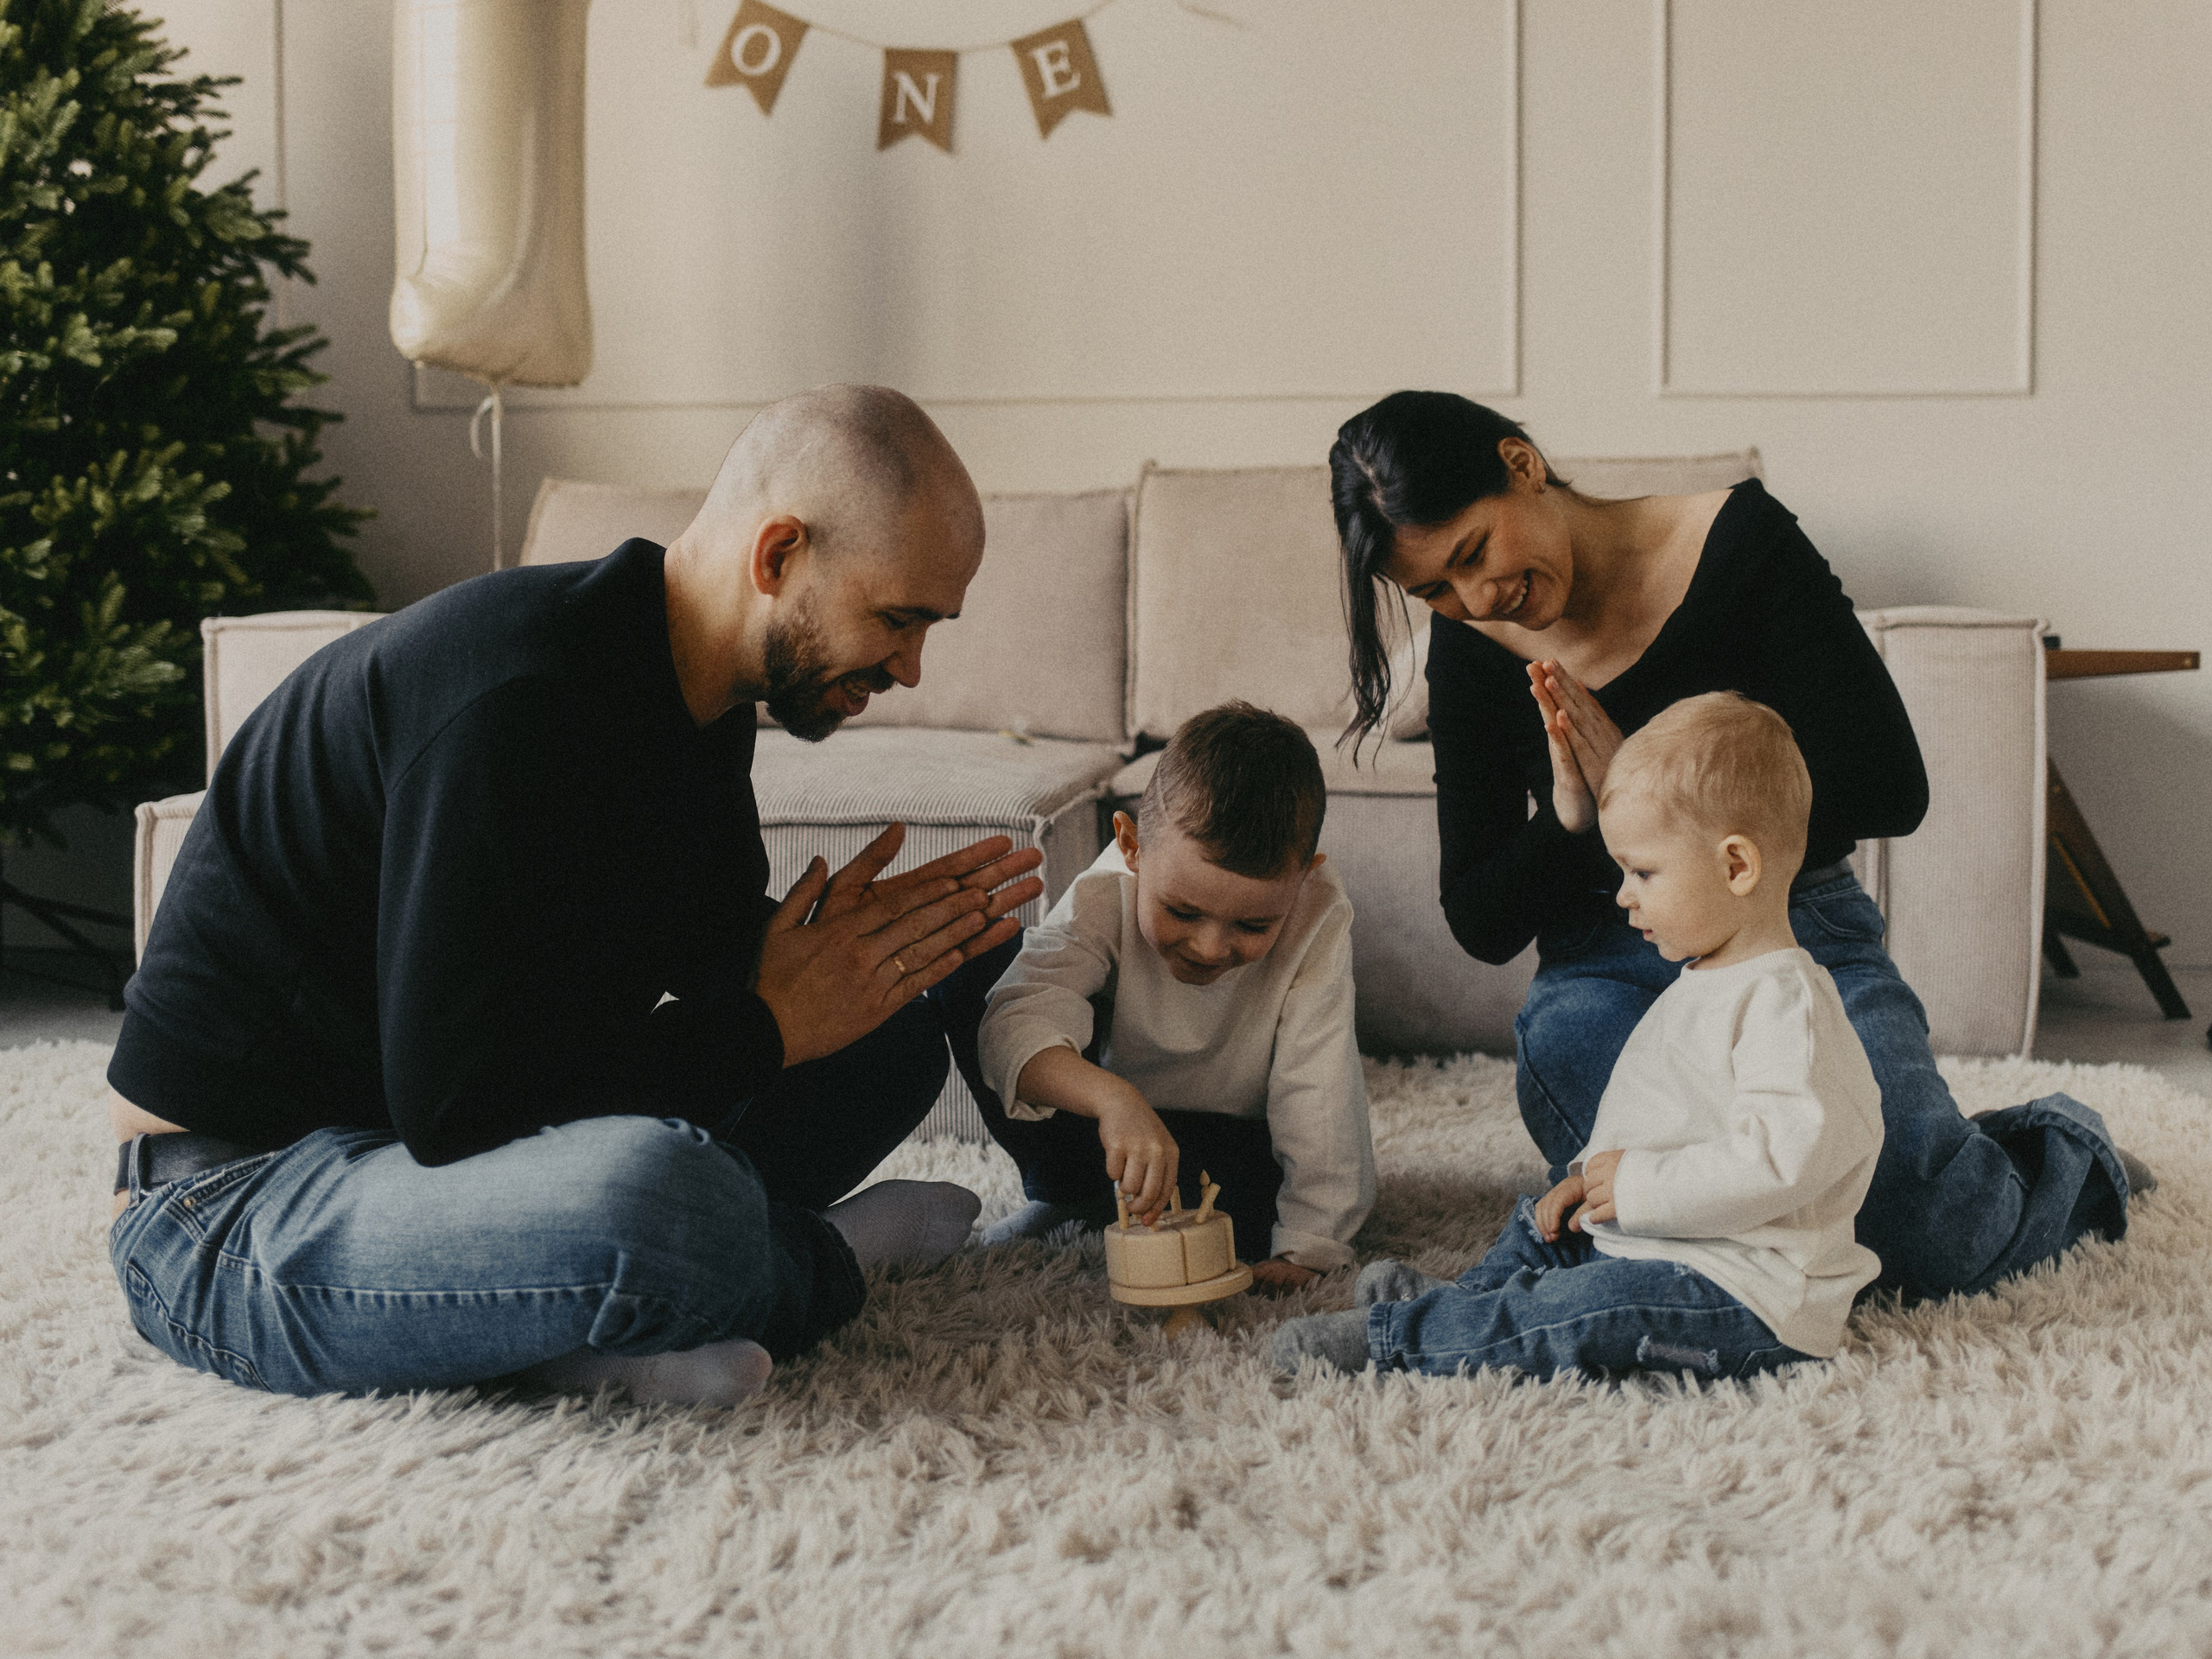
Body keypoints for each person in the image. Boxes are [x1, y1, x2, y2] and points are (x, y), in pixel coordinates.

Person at [105, 385, 1045, 1406]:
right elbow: (457, 1110)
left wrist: (868, 956)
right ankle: (827, 1260)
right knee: (660, 1199)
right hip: (233, 1209)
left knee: (887, 1047)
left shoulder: (694, 696)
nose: (910, 666)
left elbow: (709, 963)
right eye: (896, 619)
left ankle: (567, 1333)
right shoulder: (514, 699)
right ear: (778, 558)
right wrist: (769, 1026)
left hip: (437, 1162)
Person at [1327, 391, 2133, 1306]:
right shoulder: (1472, 647)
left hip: (1796, 936)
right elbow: (1479, 918)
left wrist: (1646, 782)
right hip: (1606, 967)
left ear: (1520, 466)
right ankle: (1927, 1152)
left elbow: (1888, 785)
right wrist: (1575, 821)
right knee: (1650, 1207)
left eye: (1473, 552)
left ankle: (2056, 1149)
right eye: (1433, 588)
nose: (1475, 599)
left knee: (1923, 1243)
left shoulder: (1738, 542)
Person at [1275, 692, 1885, 1379]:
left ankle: (1408, 1340)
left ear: (1736, 866)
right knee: (1543, 1227)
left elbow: (1781, 1161)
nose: (1624, 894)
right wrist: (1589, 1177)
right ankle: (1464, 1303)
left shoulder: (1784, 1003)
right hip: (1668, 1238)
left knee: (1584, 1306)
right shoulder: (1702, 979)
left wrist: (1638, 1188)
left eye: (1643, 872)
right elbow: (1661, 1112)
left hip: (1741, 1295)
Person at [950, 702, 1375, 1292]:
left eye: (1252, 927)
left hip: (1234, 1151)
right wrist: (1113, 1100)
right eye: (1182, 911)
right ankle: (1069, 1195)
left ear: (1303, 880)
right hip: (1111, 1136)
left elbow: (1320, 1088)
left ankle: (1102, 1204)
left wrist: (1313, 1243)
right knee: (978, 973)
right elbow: (1017, 1020)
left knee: (1247, 1216)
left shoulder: (1318, 912)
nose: (1208, 947)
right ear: (1132, 848)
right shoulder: (1105, 892)